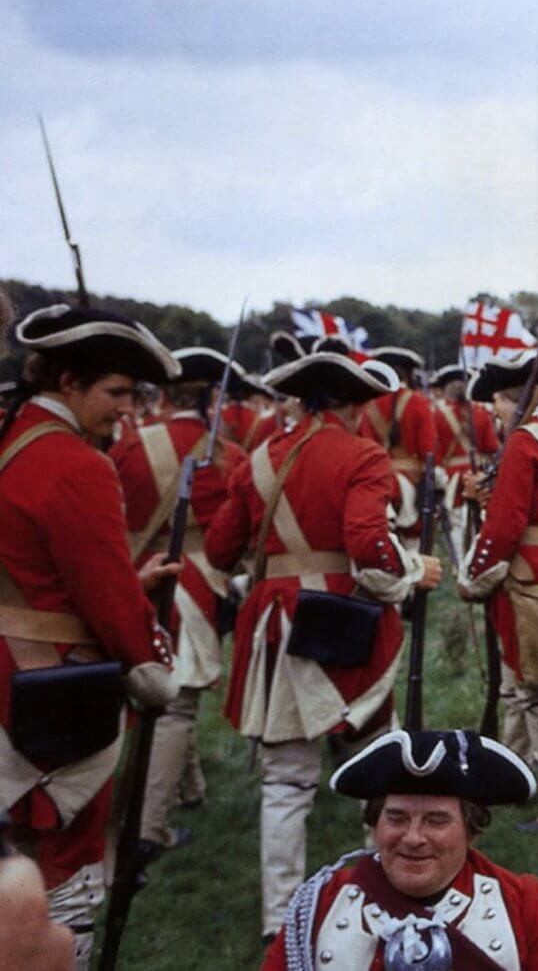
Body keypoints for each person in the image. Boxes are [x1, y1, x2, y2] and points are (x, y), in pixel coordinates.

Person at [205, 350, 443, 940]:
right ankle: (390, 891)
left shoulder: (259, 457)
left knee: (285, 780)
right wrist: (414, 571)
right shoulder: (362, 454)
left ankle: (279, 917)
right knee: (378, 761)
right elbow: (368, 542)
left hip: (273, 626)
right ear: (355, 407)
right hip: (341, 621)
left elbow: (216, 549)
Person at [0, 304, 183, 967]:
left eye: (134, 394)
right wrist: (151, 665)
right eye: (115, 392)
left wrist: (131, 579)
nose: (126, 410)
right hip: (53, 691)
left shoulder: (10, 435)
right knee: (67, 865)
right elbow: (108, 602)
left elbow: (39, 570)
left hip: (7, 676)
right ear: (69, 382)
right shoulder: (77, 465)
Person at [262, 729, 538, 970]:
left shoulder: (522, 907)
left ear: (471, 832)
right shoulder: (320, 907)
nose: (413, 837)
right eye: (397, 818)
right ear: (375, 824)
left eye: (436, 820)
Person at [109, 345, 250, 856]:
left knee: (161, 690)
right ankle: (148, 829)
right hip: (197, 584)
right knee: (177, 704)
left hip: (138, 576)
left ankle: (188, 788)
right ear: (210, 397)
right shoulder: (225, 454)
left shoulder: (129, 446)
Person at [459, 353, 538, 835]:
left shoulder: (522, 443)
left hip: (530, 583)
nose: (492, 412)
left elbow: (506, 527)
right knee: (534, 689)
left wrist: (474, 575)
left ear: (517, 400)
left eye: (498, 402)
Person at [357, 344, 439, 544]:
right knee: (413, 542)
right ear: (409, 374)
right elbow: (429, 450)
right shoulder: (419, 403)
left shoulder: (368, 404)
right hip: (411, 481)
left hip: (375, 477)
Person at [432, 362, 501, 557]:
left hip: (452, 477)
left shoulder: (437, 413)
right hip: (479, 473)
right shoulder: (480, 412)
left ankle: (460, 561)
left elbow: (435, 450)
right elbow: (492, 447)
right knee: (477, 520)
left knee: (456, 522)